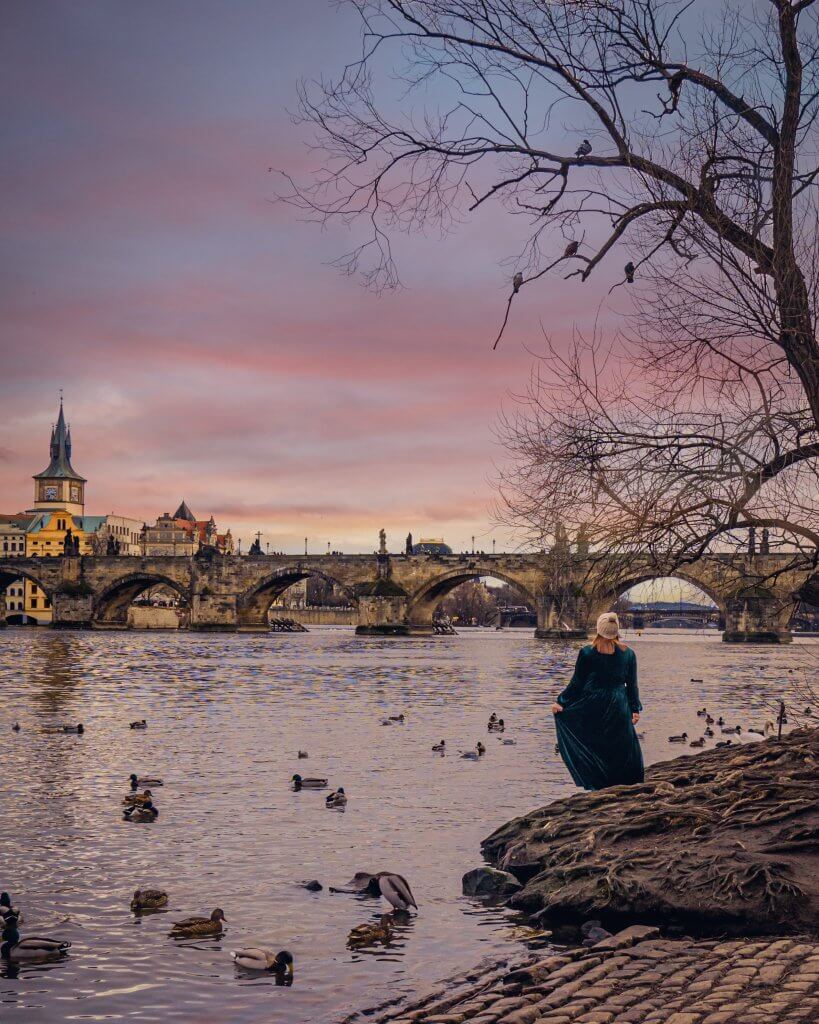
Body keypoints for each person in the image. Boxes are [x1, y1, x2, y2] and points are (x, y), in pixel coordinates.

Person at [552, 612, 643, 790]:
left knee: (595, 743)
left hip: (593, 703)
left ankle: (600, 784)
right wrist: (634, 709)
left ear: (598, 630)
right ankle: (625, 784)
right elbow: (632, 685)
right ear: (617, 631)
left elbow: (577, 683)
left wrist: (561, 702)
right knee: (621, 744)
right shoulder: (629, 654)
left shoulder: (587, 653)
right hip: (618, 703)